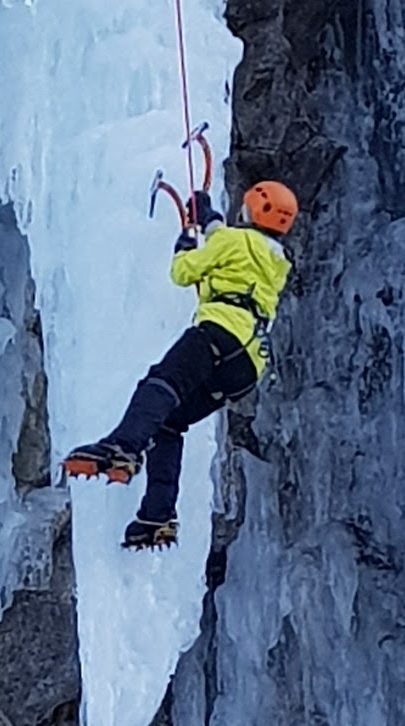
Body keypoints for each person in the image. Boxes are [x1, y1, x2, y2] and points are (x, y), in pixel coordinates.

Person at [63, 179, 298, 549]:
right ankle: (156, 517)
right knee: (169, 422)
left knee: (160, 384)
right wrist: (209, 217)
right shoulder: (277, 261)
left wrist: (185, 244)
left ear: (250, 211)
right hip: (247, 365)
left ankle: (122, 447)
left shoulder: (234, 240)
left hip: (220, 333)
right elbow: (227, 241)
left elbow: (183, 272)